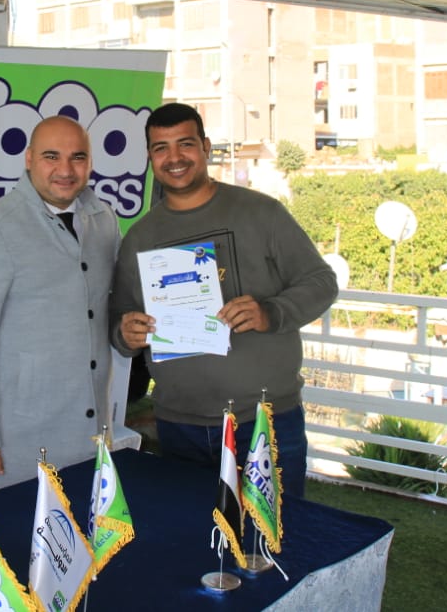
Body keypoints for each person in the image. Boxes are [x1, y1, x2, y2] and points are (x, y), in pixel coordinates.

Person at [110, 103, 337, 498]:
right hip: (179, 426)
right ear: (150, 157)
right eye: (161, 148)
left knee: (272, 532)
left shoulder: (261, 213)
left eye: (185, 144)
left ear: (206, 147)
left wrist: (271, 312)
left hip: (263, 420)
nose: (174, 157)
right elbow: (119, 320)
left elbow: (321, 282)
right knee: (195, 531)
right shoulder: (140, 238)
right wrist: (124, 332)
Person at [0, 115, 120, 487]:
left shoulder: (104, 219)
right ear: (28, 159)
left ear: (90, 162)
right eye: (51, 156)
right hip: (19, 440)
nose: (65, 170)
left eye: (77, 157)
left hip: (93, 430)